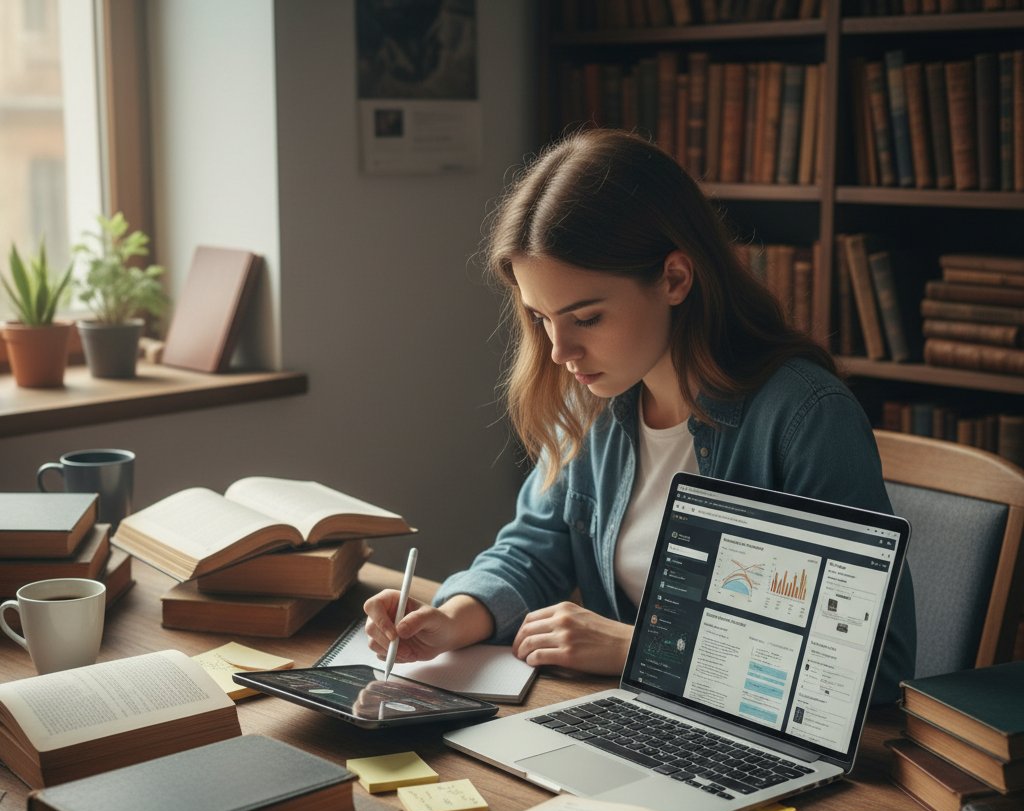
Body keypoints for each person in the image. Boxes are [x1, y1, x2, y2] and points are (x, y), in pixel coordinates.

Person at [364, 128, 915, 702]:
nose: (559, 351)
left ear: (675, 278)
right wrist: (453, 618)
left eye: (587, 318)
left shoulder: (807, 419)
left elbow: (875, 664)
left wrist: (640, 646)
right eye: (542, 318)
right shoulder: (590, 401)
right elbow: (533, 551)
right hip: (633, 713)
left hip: (751, 734)